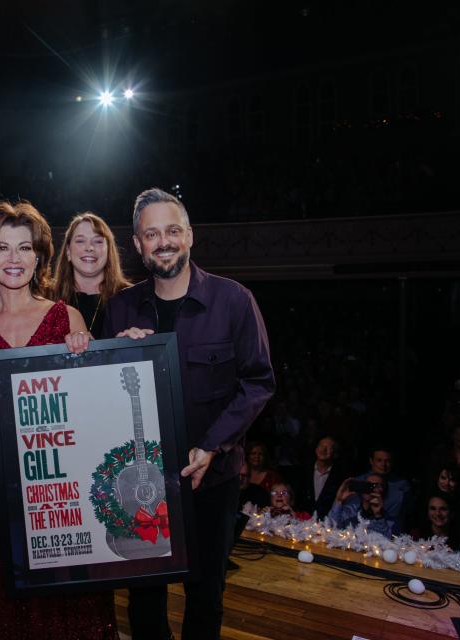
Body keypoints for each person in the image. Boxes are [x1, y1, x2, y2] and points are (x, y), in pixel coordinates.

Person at [0, 201, 117, 640]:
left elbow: (92, 411)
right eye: (3, 248)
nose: (14, 259)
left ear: (38, 256)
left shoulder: (66, 317)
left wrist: (84, 358)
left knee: (58, 602)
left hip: (54, 482)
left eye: (23, 248)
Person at [104, 187, 275, 640]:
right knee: (144, 600)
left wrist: (214, 446)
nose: (164, 241)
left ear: (190, 236)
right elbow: (100, 397)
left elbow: (258, 382)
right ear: (138, 245)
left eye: (173, 231)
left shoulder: (234, 301)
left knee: (205, 597)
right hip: (143, 486)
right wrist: (118, 353)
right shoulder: (119, 308)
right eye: (152, 233)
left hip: (211, 480)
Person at [54, 211, 130, 335]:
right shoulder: (48, 299)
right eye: (80, 241)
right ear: (68, 251)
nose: (89, 248)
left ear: (109, 251)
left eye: (98, 241)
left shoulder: (132, 298)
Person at [349, 446, 411, 529]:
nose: (383, 465)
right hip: (358, 527)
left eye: (388, 461)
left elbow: (404, 513)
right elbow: (350, 510)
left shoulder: (402, 485)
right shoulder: (359, 481)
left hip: (390, 529)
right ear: (371, 461)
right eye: (379, 460)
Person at [328, 473, 397, 537]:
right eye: (367, 485)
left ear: (383, 490)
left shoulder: (388, 519)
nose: (370, 488)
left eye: (375, 485)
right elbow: (330, 528)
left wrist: (378, 515)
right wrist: (338, 501)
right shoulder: (349, 511)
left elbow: (384, 540)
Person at [294, 435, 345, 519]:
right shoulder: (303, 471)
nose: (323, 449)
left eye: (329, 447)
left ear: (335, 454)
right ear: (316, 449)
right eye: (321, 446)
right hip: (303, 523)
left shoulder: (340, 476)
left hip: (329, 524)